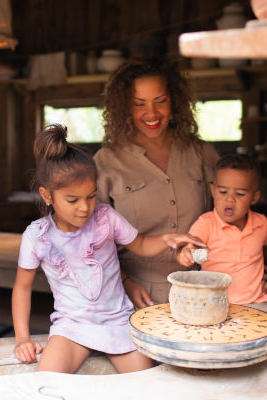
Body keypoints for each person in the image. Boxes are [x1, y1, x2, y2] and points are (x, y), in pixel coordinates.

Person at [11, 124, 206, 373]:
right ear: (47, 195)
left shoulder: (106, 217)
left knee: (146, 385)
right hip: (72, 327)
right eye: (72, 200)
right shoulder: (37, 236)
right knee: (45, 384)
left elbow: (142, 245)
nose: (85, 207)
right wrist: (22, 338)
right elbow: (22, 288)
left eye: (91, 196)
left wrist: (167, 239)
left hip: (118, 322)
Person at [94, 58, 219, 309]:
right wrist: (125, 281)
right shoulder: (106, 162)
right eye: (139, 104)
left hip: (203, 285)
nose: (151, 114)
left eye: (160, 101)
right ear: (124, 108)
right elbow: (91, 241)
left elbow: (230, 217)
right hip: (134, 293)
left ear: (174, 100)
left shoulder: (202, 153)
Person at [176, 154, 267, 353]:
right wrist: (184, 254)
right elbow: (187, 247)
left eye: (240, 194)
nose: (230, 199)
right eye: (222, 191)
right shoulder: (206, 224)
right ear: (212, 191)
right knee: (215, 352)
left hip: (258, 303)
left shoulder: (262, 224)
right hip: (214, 305)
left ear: (254, 197)